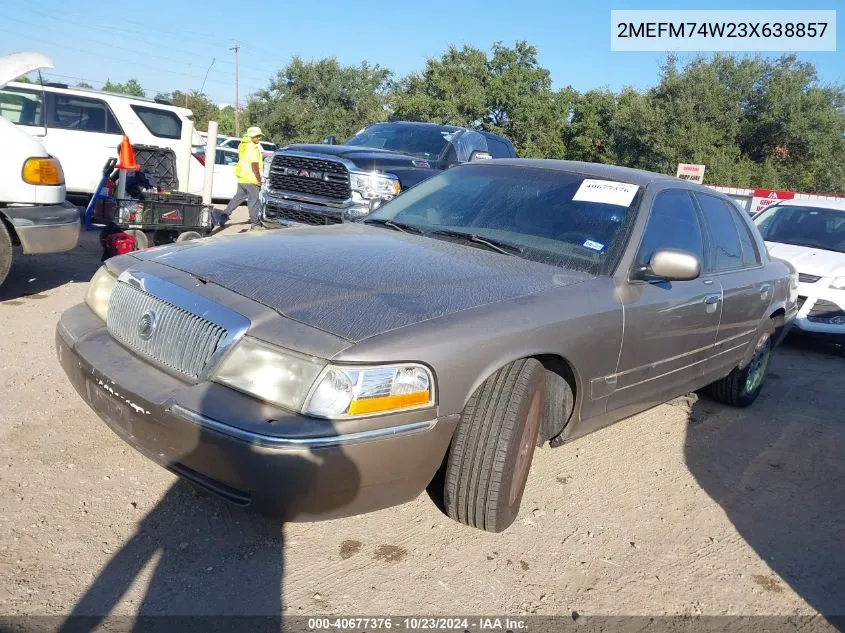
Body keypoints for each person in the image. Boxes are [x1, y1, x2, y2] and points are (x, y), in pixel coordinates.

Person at [216, 126, 265, 230]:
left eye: (259, 136)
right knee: (254, 201)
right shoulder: (254, 148)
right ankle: (255, 224)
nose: (259, 138)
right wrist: (259, 180)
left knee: (237, 199)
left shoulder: (243, 145)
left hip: (242, 177)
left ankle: (223, 216)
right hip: (251, 178)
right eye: (257, 136)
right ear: (252, 136)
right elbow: (254, 165)